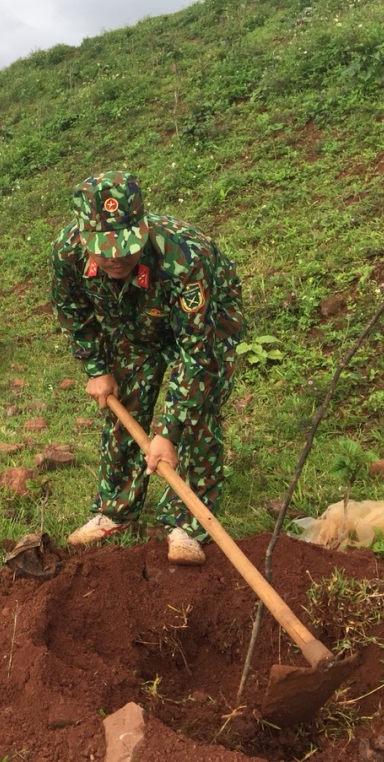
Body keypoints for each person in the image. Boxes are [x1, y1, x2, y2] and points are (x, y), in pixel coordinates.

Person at [50, 170, 244, 566]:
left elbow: (197, 353)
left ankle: (188, 522)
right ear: (83, 236)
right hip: (135, 323)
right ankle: (116, 511)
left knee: (197, 414)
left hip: (206, 323)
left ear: (141, 226)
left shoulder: (184, 256)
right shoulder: (66, 252)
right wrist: (97, 367)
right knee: (126, 408)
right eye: (103, 249)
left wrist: (168, 432)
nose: (115, 257)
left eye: (125, 246)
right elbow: (72, 311)